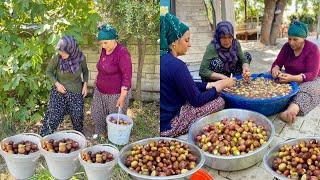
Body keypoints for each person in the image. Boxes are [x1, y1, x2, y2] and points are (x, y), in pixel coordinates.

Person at [160, 13, 235, 137]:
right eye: (186, 40)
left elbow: (185, 83)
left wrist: (209, 84)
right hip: (169, 124)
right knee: (219, 101)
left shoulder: (163, 59)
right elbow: (196, 100)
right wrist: (220, 85)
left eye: (229, 37)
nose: (189, 45)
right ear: (174, 42)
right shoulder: (178, 66)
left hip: (163, 115)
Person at [271, 21, 320, 123]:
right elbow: (277, 62)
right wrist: (275, 69)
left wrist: (292, 78)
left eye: (295, 39)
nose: (291, 42)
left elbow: (312, 74)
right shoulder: (286, 47)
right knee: (268, 76)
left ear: (303, 39)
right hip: (290, 75)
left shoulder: (313, 49)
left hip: (310, 80)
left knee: (307, 89)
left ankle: (290, 111)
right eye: (289, 39)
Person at [40, 36, 88, 136]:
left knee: (77, 117)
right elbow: (48, 72)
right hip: (59, 92)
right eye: (60, 51)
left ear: (72, 50)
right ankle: (44, 138)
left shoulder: (80, 58)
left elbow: (85, 71)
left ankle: (78, 138)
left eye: (64, 52)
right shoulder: (57, 58)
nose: (61, 54)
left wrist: (85, 85)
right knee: (53, 116)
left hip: (76, 92)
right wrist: (57, 84)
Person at [91, 24, 132, 138]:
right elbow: (102, 65)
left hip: (116, 92)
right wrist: (96, 79)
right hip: (100, 90)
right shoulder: (105, 50)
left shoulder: (122, 52)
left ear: (114, 40)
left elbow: (127, 75)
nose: (103, 46)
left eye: (106, 42)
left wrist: (123, 95)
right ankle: (100, 133)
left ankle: (114, 136)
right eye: (101, 43)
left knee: (114, 116)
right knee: (97, 112)